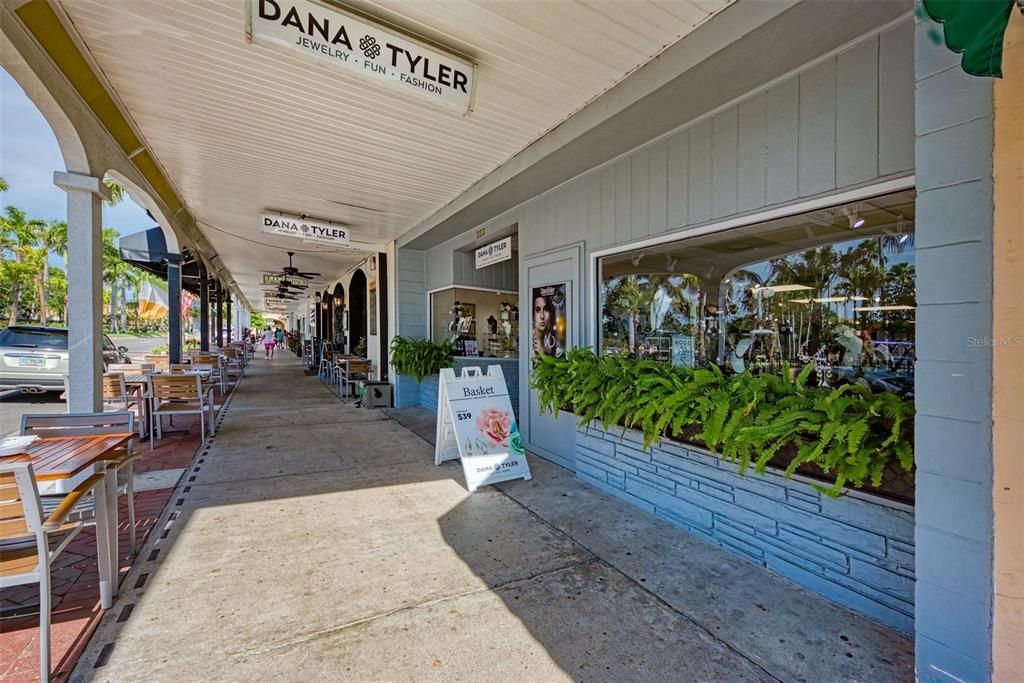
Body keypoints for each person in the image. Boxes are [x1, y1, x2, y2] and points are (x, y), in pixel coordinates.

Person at [532, 293, 563, 358]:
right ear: (533, 314)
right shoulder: (529, 339)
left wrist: (543, 352)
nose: (542, 316)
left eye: (546, 309)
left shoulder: (551, 338)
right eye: (537, 310)